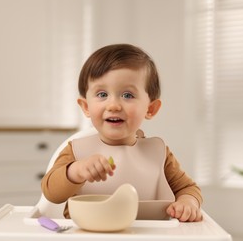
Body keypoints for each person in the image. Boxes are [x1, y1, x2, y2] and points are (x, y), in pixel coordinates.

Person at [41, 44, 203, 222]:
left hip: (148, 238)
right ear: (86, 107)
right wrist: (76, 171)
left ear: (150, 108)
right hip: (88, 238)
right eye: (102, 94)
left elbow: (188, 188)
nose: (113, 106)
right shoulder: (76, 151)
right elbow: (51, 193)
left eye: (127, 95)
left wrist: (188, 203)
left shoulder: (158, 153)